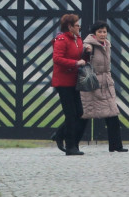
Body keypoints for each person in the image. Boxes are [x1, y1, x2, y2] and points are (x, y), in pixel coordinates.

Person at [81, 21, 128, 152]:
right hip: (93, 84)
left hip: (106, 84)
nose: (102, 34)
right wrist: (86, 51)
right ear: (94, 33)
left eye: (104, 31)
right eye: (100, 32)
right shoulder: (89, 45)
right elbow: (83, 59)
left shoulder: (106, 44)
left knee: (112, 114)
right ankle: (61, 135)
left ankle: (116, 146)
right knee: (84, 114)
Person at [51, 13, 88, 156]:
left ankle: (60, 134)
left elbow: (78, 57)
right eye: (77, 24)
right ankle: (71, 146)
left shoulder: (77, 39)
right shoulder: (61, 39)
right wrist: (74, 63)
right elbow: (57, 58)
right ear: (70, 26)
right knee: (71, 114)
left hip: (75, 81)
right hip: (63, 82)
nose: (79, 26)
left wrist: (86, 54)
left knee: (79, 113)